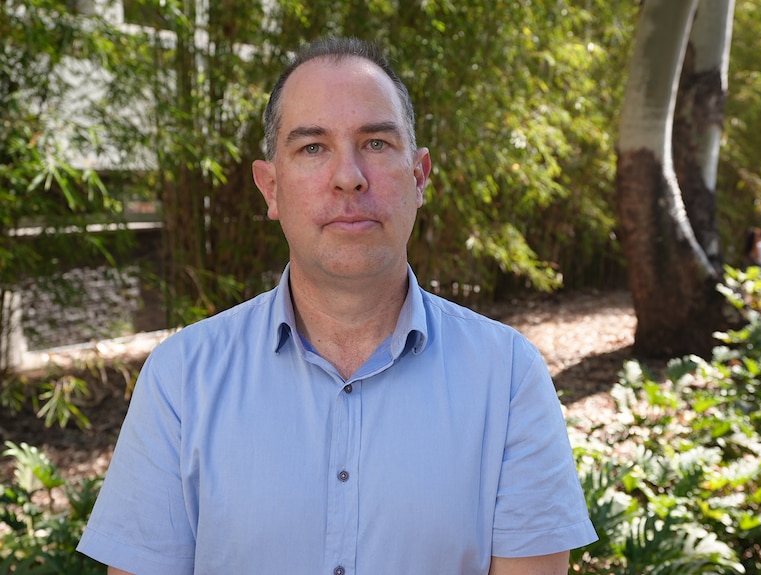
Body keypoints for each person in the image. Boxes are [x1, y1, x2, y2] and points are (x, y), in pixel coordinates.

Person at [77, 37, 598, 575]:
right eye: (313, 148)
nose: (349, 176)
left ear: (419, 178)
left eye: (375, 143)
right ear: (270, 188)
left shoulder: (508, 375)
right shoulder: (182, 379)